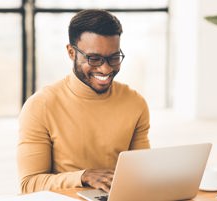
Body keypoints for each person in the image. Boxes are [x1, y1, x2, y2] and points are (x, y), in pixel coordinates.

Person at [17, 9, 150, 194]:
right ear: (71, 52)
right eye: (94, 59)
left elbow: (142, 172)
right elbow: (29, 184)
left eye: (114, 57)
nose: (105, 69)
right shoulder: (40, 106)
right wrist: (83, 176)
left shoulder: (135, 103)